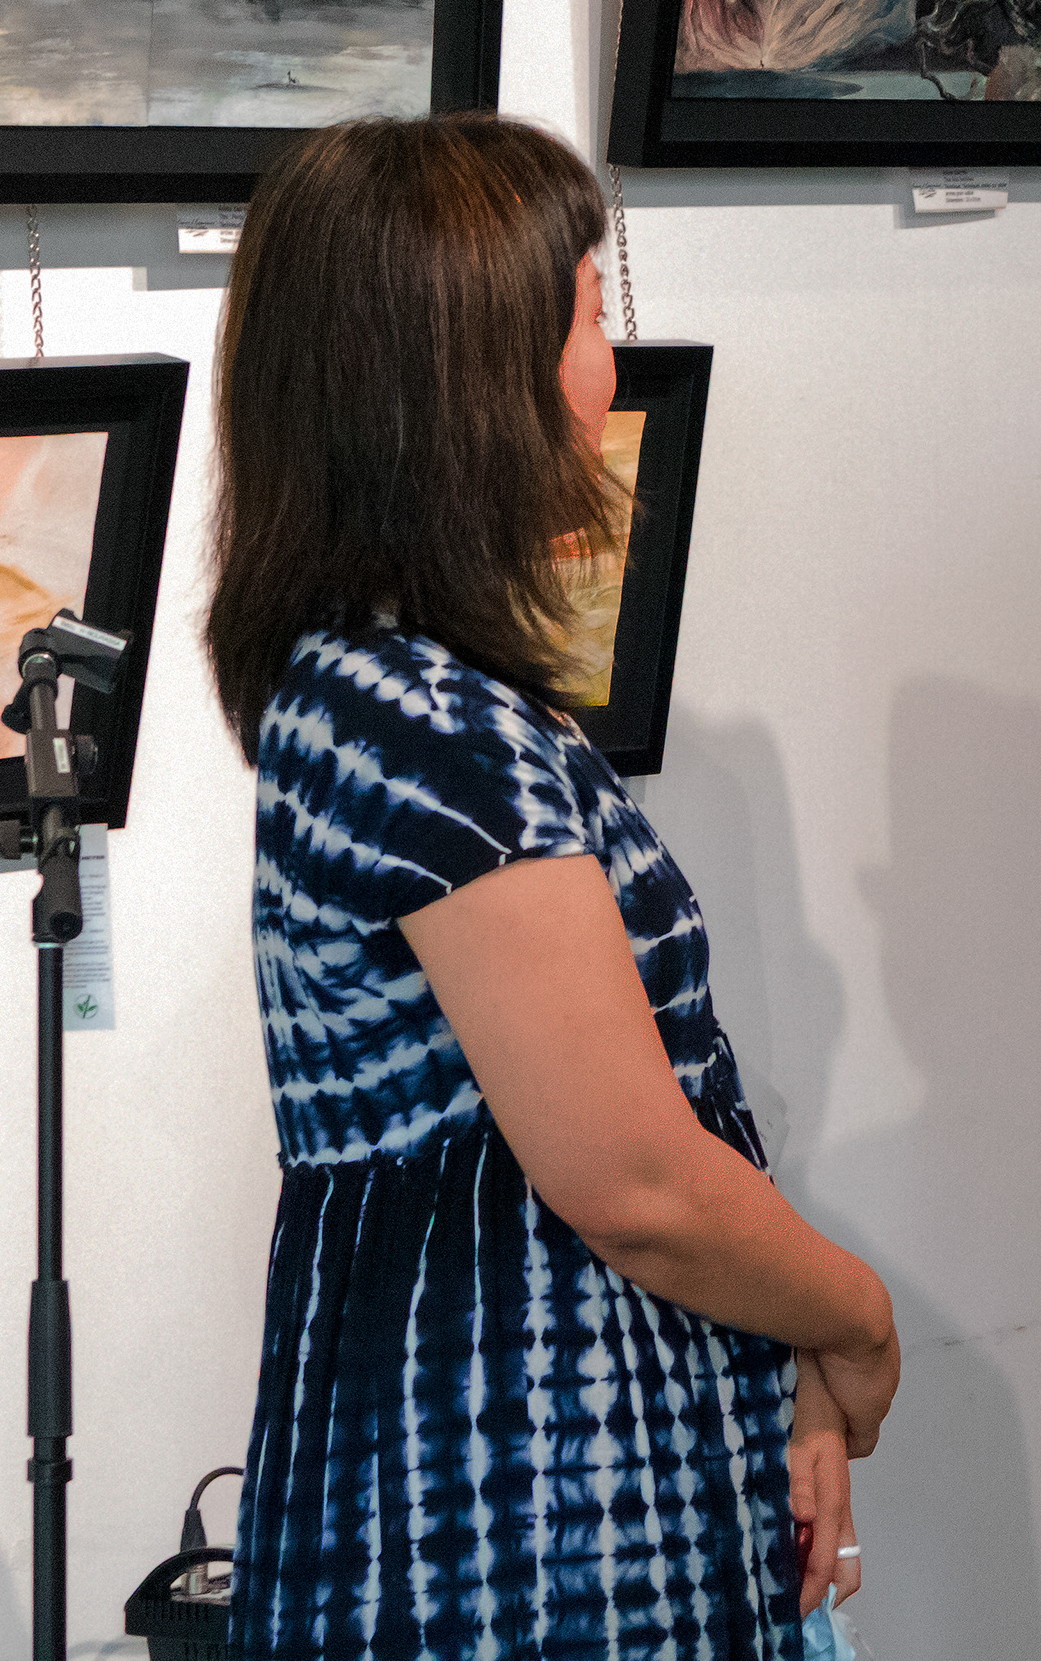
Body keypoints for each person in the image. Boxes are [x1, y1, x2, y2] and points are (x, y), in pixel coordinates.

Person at [206, 112, 895, 1658]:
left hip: (530, 1469)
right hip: (521, 1515)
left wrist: (786, 1364)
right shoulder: (423, 722)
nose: (610, 365)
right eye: (588, 314)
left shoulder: (393, 691)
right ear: (470, 375)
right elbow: (636, 1181)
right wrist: (858, 1318)